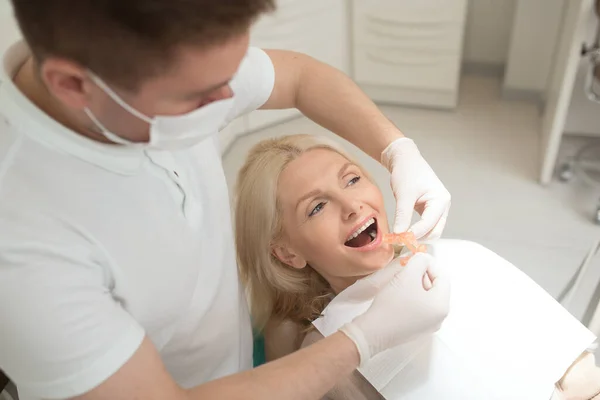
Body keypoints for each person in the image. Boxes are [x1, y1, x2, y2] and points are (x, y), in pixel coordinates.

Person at [0, 1, 453, 400]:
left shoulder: (152, 65)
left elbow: (297, 77)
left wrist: (397, 149)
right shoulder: (23, 246)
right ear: (74, 85)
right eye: (197, 96)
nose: (227, 99)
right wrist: (361, 340)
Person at [235, 134, 600, 400]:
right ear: (287, 254)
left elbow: (582, 374)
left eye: (351, 179)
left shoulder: (461, 256)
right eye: (316, 207)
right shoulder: (327, 351)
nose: (352, 205)